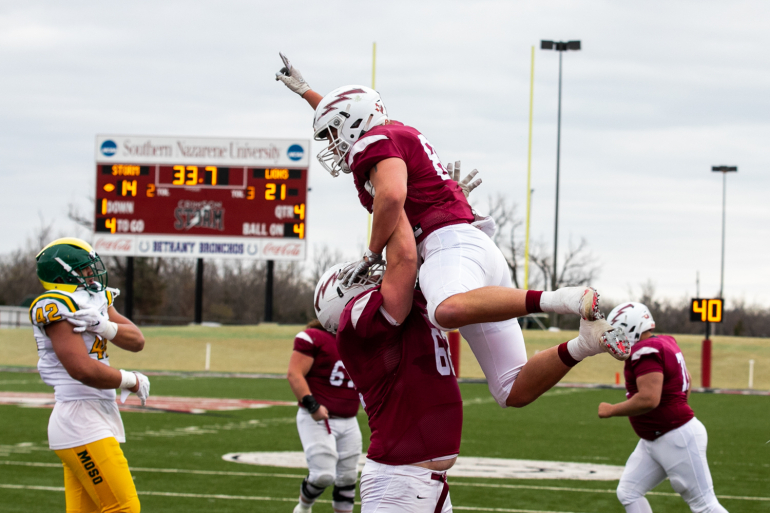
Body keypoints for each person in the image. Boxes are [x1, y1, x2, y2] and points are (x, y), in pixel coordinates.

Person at [276, 53, 630, 410]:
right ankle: (585, 343)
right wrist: (307, 92)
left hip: (447, 247)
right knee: (511, 390)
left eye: (333, 135)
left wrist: (371, 253)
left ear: (353, 124)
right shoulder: (388, 131)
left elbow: (392, 195)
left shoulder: (374, 141)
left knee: (444, 310)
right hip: (468, 249)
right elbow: (350, 116)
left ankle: (564, 299)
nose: (332, 145)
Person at [30, 237, 150, 513]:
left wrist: (104, 326)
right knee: (124, 507)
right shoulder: (55, 303)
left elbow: (137, 341)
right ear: (61, 275)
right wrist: (129, 380)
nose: (91, 274)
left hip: (95, 410)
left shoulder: (96, 298)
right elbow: (81, 369)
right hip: (78, 416)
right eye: (84, 269)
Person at [599, 302, 728, 513]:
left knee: (704, 505)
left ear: (632, 327)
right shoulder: (665, 342)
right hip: (656, 438)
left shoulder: (645, 350)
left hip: (674, 436)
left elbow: (649, 399)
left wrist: (611, 410)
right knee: (628, 492)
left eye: (618, 331)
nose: (615, 338)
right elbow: (688, 380)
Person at [287, 318, 363, 513]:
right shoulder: (314, 337)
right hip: (318, 418)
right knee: (322, 475)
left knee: (348, 478)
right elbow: (294, 374)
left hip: (349, 420)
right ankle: (304, 507)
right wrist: (312, 406)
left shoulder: (357, 341)